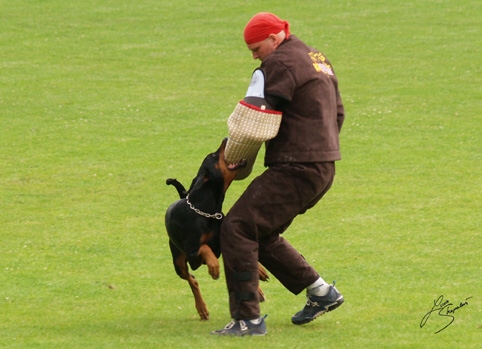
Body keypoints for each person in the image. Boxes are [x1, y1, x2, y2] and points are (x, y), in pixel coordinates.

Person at [211, 12, 345, 336]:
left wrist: (233, 156)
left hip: (296, 167)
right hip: (323, 165)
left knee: (238, 226)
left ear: (274, 38)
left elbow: (256, 116)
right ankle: (321, 292)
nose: (254, 55)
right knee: (261, 232)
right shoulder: (317, 59)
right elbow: (338, 113)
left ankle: (248, 321)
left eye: (256, 48)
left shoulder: (280, 64)